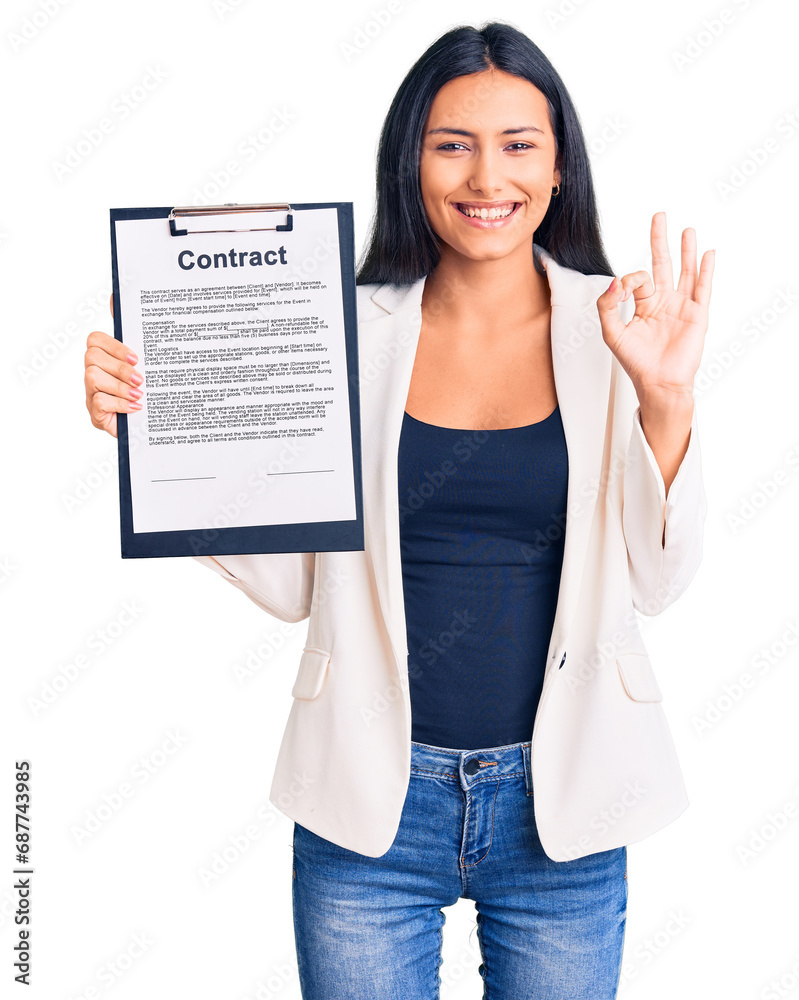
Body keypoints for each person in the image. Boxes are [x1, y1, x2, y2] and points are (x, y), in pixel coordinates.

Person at [83, 21, 713, 1000]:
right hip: (371, 800)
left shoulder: (621, 328)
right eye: (451, 143)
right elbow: (297, 585)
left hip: (567, 796)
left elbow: (661, 581)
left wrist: (667, 401)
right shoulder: (341, 329)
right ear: (410, 162)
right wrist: (159, 441)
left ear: (557, 170)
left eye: (517, 144)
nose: (484, 175)